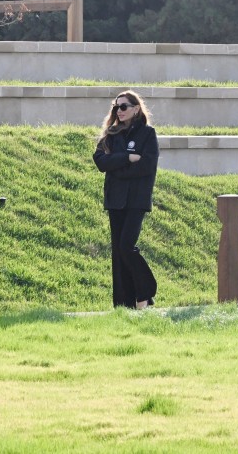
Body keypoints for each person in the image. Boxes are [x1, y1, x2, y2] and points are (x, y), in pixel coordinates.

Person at [92, 90, 159, 310]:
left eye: (123, 107)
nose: (118, 111)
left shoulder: (148, 134)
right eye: (116, 107)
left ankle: (146, 289)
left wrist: (117, 167)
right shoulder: (111, 134)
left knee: (126, 246)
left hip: (136, 200)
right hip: (115, 200)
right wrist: (127, 158)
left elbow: (147, 166)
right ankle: (124, 304)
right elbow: (101, 161)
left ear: (136, 108)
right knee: (118, 253)